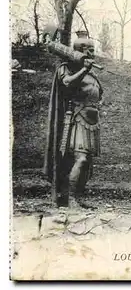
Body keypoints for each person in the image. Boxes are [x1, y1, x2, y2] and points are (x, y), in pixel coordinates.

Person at [43, 32, 102, 209]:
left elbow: (96, 92)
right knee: (81, 159)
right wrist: (84, 69)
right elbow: (68, 84)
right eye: (89, 50)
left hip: (92, 122)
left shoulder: (92, 73)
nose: (92, 53)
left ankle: (77, 196)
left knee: (87, 163)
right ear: (79, 51)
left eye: (93, 50)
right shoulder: (66, 68)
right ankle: (70, 199)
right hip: (76, 119)